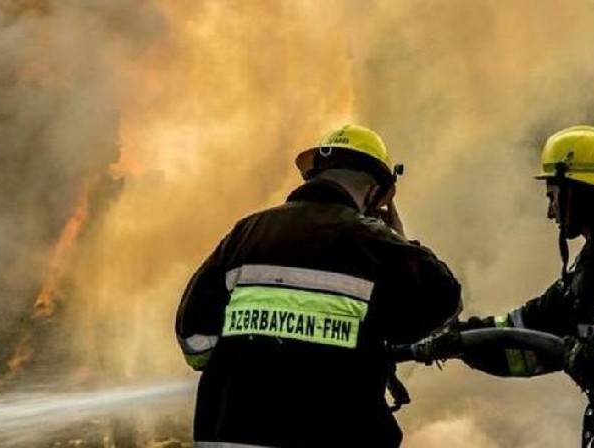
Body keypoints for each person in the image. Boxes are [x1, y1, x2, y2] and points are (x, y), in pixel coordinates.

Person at [175, 123, 462, 447]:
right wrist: (402, 241)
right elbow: (446, 302)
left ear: (314, 176)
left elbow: (193, 340)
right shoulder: (375, 243)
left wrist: (252, 358)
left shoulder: (246, 233)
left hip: (230, 436)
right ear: (376, 194)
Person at [457, 125, 594, 447]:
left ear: (577, 190)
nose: (550, 212)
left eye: (553, 196)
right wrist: (459, 340)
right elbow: (530, 331)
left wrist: (584, 355)